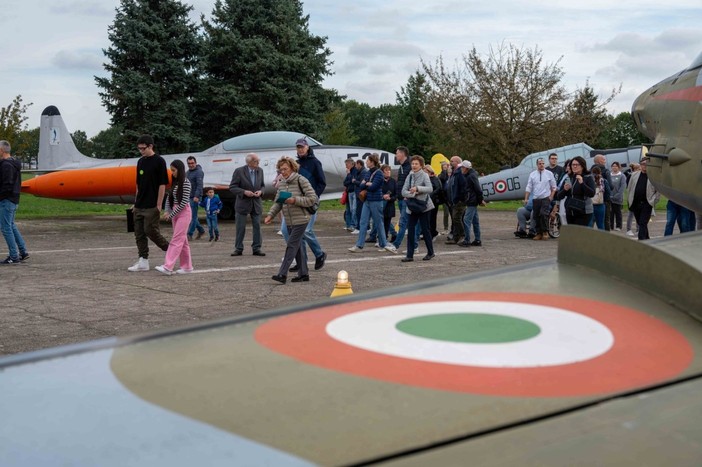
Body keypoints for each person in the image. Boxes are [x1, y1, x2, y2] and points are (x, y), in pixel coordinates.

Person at [264, 156, 318, 284]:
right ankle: (304, 274)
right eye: (280, 169)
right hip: (289, 220)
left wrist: (295, 200)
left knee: (292, 245)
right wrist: (270, 215)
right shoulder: (282, 183)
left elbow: (312, 198)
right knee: (298, 247)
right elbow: (278, 202)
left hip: (301, 219)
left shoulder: (301, 180)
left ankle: (282, 274)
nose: (283, 172)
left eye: (285, 169)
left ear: (292, 168)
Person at [128, 135, 169, 272]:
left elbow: (162, 184)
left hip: (152, 204)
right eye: (139, 149)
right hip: (140, 204)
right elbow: (138, 184)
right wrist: (135, 201)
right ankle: (143, 261)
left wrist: (159, 204)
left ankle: (171, 251)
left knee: (151, 231)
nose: (141, 151)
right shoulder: (140, 162)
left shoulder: (159, 161)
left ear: (150, 146)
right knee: (139, 233)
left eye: (143, 148)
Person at [286, 138, 327, 271]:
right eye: (298, 147)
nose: (300, 149)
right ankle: (302, 261)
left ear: (307, 147)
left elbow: (322, 182)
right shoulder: (295, 164)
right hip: (297, 202)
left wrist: (314, 197)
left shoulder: (315, 163)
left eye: (302, 147)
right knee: (294, 233)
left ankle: (319, 254)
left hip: (310, 201)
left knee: (306, 230)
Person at [348, 154, 396, 253]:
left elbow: (374, 187)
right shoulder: (368, 172)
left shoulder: (379, 173)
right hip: (367, 200)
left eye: (367, 161)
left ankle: (384, 243)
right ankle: (359, 245)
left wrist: (367, 184)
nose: (366, 162)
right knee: (363, 222)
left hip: (376, 201)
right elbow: (361, 185)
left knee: (378, 223)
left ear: (372, 161)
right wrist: (367, 184)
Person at [155, 160, 193, 275]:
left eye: (174, 170)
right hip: (177, 213)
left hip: (184, 213)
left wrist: (171, 214)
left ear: (179, 170)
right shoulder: (175, 183)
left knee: (176, 240)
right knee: (183, 241)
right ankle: (187, 267)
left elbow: (183, 203)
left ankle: (168, 266)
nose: (172, 173)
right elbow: (169, 198)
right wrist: (167, 211)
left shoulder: (186, 183)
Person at [229, 152, 265, 257]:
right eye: (255, 161)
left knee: (257, 226)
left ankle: (257, 248)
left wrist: (261, 192)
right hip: (243, 203)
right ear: (248, 162)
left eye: (258, 160)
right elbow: (232, 187)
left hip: (256, 203)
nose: (258, 162)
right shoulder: (239, 171)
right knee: (240, 227)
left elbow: (262, 185)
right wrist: (244, 192)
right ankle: (238, 248)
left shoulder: (260, 170)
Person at [400, 156, 435, 262]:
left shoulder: (424, 175)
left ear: (421, 165)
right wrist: (413, 194)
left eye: (416, 164)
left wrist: (418, 189)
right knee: (410, 229)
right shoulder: (409, 175)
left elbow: (430, 189)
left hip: (424, 206)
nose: (414, 166)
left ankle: (430, 252)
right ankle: (409, 255)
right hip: (413, 207)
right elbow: (403, 192)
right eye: (413, 164)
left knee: (425, 230)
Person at [0, 140, 29, 264]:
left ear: (1, 150)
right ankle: (23, 251)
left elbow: (7, 185)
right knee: (11, 225)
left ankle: (13, 256)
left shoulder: (6, 165)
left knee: (6, 227)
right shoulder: (13, 163)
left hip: (7, 199)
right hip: (13, 199)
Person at [523, 157, 557, 240]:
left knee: (543, 213)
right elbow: (529, 187)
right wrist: (526, 198)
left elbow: (554, 186)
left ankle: (545, 232)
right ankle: (539, 233)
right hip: (536, 198)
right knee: (536, 215)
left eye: (543, 163)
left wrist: (551, 196)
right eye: (540, 164)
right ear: (537, 165)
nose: (542, 165)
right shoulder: (532, 174)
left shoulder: (549, 173)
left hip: (545, 198)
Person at [627, 157, 659, 240]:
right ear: (640, 165)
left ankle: (641, 240)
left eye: (646, 164)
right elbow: (629, 188)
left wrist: (653, 201)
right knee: (641, 223)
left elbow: (658, 190)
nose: (644, 166)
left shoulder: (653, 176)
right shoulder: (634, 175)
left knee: (642, 222)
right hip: (636, 203)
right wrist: (629, 201)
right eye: (643, 164)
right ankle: (647, 239)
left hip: (647, 203)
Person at [557, 156, 595, 226]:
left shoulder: (588, 177)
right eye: (572, 165)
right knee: (572, 234)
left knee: (580, 234)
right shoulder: (568, 178)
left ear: (582, 166)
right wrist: (565, 190)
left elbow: (591, 194)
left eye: (577, 165)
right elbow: (559, 196)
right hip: (570, 211)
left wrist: (582, 183)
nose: (574, 166)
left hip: (583, 211)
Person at [391, 146, 414, 251]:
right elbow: (400, 183)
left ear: (402, 154)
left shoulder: (409, 167)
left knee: (403, 222)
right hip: (400, 198)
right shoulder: (401, 167)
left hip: (406, 199)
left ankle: (396, 245)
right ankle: (415, 246)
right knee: (409, 223)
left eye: (397, 153)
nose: (396, 155)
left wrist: (407, 195)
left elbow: (410, 183)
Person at [459, 160, 484, 247]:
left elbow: (478, 190)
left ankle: (467, 240)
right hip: (473, 200)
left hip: (472, 201)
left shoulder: (471, 176)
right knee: (475, 221)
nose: (461, 169)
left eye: (462, 167)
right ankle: (477, 239)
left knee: (466, 220)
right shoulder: (471, 175)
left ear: (466, 168)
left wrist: (480, 201)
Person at [445, 156, 467, 244]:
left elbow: (463, 187)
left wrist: (460, 199)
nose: (450, 163)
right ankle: (455, 237)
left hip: (459, 201)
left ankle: (462, 235)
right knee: (455, 219)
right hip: (453, 200)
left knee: (457, 218)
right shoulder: (454, 173)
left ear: (457, 162)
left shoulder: (459, 173)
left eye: (452, 161)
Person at [186, 156, 206, 241]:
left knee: (192, 217)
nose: (191, 165)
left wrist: (197, 196)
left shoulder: (199, 172)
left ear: (195, 163)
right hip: (188, 197)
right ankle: (201, 230)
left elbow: (199, 185)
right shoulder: (187, 172)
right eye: (189, 163)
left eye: (192, 163)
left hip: (195, 197)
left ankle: (189, 234)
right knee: (191, 216)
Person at [593, 154, 613, 230]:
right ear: (599, 161)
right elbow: (610, 187)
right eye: (603, 160)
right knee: (605, 221)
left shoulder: (589, 172)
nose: (605, 161)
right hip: (603, 200)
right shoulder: (606, 171)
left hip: (591, 201)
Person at [609, 161, 627, 231]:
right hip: (610, 198)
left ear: (619, 167)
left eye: (616, 166)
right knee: (610, 213)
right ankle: (611, 226)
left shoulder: (622, 176)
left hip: (618, 198)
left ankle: (618, 226)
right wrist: (610, 195)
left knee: (618, 213)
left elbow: (622, 187)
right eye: (613, 166)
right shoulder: (609, 175)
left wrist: (616, 196)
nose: (614, 167)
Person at [425, 164, 442, 240]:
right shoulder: (427, 179)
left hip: (434, 201)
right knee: (428, 218)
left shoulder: (434, 178)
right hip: (428, 200)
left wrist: (431, 194)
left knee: (432, 217)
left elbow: (438, 188)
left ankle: (433, 233)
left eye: (425, 171)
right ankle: (429, 232)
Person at [381, 164, 397, 241]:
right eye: (386, 171)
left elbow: (396, 194)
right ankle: (382, 238)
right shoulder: (380, 181)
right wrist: (383, 196)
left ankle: (387, 238)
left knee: (387, 222)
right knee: (380, 222)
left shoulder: (393, 181)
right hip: (381, 204)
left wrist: (391, 198)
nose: (388, 172)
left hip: (390, 204)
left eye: (389, 170)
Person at [342, 158, 357, 231]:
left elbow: (353, 180)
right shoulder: (350, 172)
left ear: (351, 164)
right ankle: (350, 225)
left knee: (354, 209)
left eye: (347, 164)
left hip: (354, 192)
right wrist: (350, 180)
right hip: (349, 192)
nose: (346, 166)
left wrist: (349, 175)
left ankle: (354, 225)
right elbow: (345, 182)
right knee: (350, 209)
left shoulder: (354, 171)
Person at [626, 162, 640, 236]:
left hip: (638, 198)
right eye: (638, 168)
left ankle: (638, 229)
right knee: (631, 214)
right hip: (632, 198)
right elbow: (629, 188)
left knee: (638, 214)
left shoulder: (640, 176)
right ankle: (628, 229)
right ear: (635, 169)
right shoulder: (630, 176)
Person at [438, 160, 451, 233]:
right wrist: (444, 171)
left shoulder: (452, 176)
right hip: (445, 197)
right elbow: (442, 178)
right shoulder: (441, 175)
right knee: (446, 213)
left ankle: (454, 228)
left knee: (454, 214)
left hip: (451, 197)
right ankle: (446, 228)